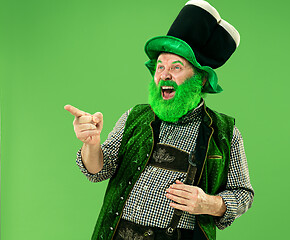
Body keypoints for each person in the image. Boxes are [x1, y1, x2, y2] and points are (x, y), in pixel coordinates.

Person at [65, 1, 254, 239]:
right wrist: (91, 144)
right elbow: (99, 170)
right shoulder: (135, 116)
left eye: (176, 67)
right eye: (160, 66)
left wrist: (209, 203)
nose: (164, 74)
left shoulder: (225, 132)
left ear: (201, 80)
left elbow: (242, 194)